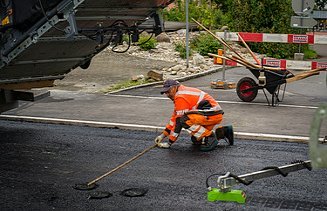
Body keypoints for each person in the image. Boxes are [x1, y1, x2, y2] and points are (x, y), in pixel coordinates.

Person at [155, 79, 233, 152]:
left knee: (184, 120)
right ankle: (225, 131)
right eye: (166, 93)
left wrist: (169, 143)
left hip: (211, 115)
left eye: (168, 91)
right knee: (196, 139)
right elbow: (174, 119)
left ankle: (210, 137)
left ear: (174, 87)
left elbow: (178, 122)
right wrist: (162, 135)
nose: (167, 95)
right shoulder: (181, 93)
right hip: (211, 114)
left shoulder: (180, 97)